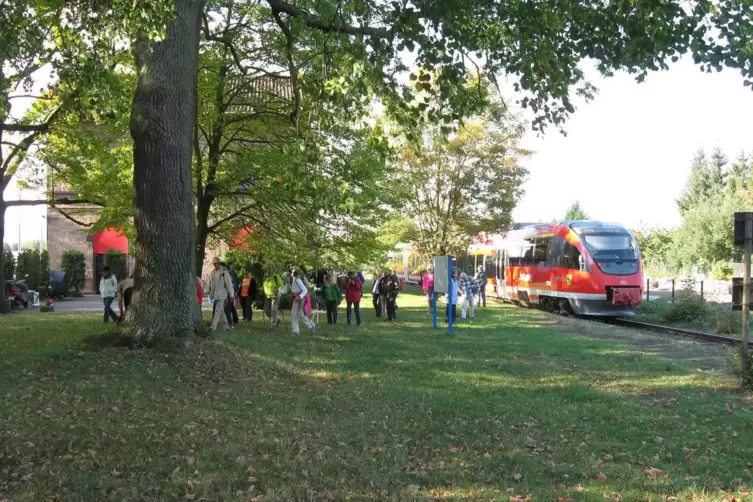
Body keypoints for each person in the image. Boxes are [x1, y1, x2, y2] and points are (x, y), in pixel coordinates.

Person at [279, 269, 316, 334]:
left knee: (302, 314)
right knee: (293, 314)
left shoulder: (297, 280)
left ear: (289, 277)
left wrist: (300, 296)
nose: (285, 280)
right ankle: (295, 331)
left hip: (303, 297)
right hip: (295, 298)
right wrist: (277, 291)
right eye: (284, 279)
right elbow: (284, 291)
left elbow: (305, 290)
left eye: (285, 279)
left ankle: (312, 326)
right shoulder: (288, 283)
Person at [208, 257, 235, 332]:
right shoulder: (212, 273)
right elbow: (209, 284)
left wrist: (231, 295)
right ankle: (226, 327)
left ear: (220, 263)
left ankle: (213, 327)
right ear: (213, 264)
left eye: (218, 263)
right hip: (215, 295)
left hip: (222, 294)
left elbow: (229, 284)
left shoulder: (224, 272)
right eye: (215, 263)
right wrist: (207, 292)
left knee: (217, 310)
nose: (217, 265)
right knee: (221, 311)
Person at [223, 262, 240, 327]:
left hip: (231, 292)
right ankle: (234, 320)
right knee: (231, 307)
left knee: (228, 307)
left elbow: (236, 283)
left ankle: (231, 322)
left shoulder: (232, 274)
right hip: (229, 292)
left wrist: (235, 292)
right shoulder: (229, 274)